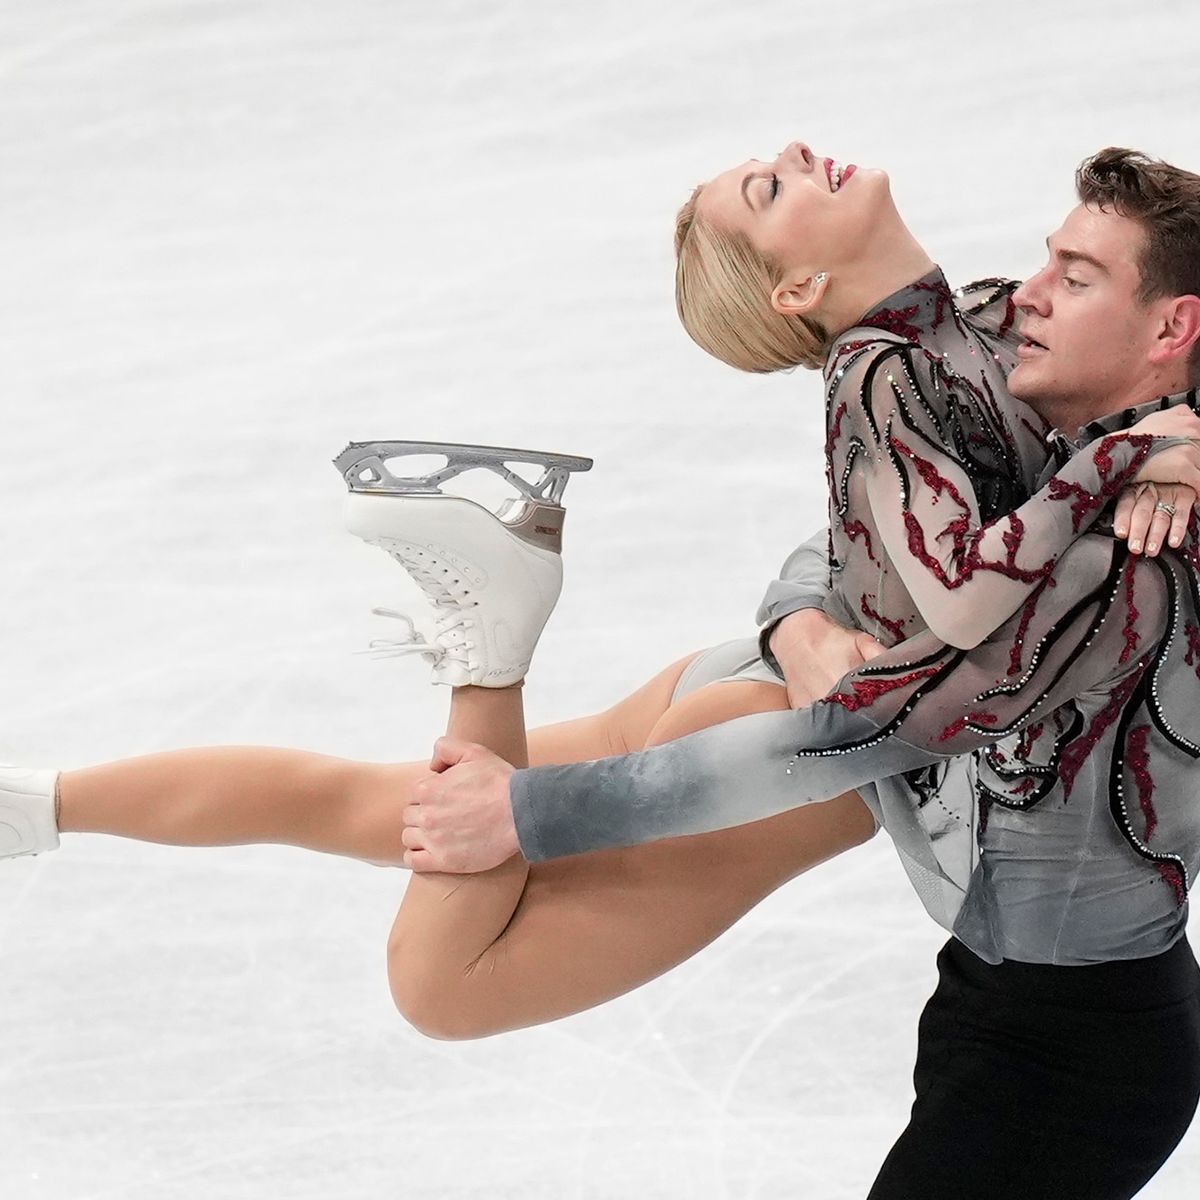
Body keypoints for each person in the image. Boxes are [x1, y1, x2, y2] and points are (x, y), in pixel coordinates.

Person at [2, 144, 1199, 1197]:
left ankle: (34, 805)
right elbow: (873, 700)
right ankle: (492, 652)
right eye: (1049, 267)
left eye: (1073, 276)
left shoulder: (1002, 391)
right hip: (812, 768)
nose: (1036, 289)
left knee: (381, 809)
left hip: (821, 747)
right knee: (446, 987)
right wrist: (791, 631)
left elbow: (891, 545)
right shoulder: (1006, 365)